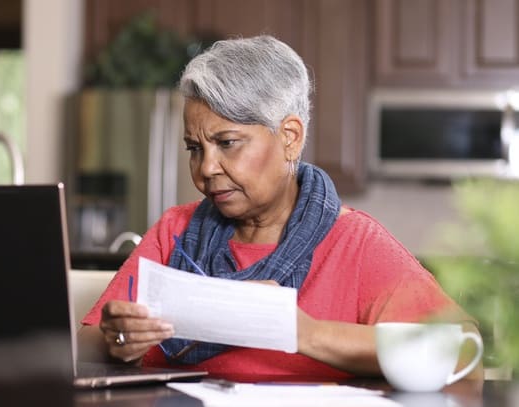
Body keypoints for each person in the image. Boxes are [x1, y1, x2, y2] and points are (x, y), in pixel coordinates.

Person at [77, 35, 480, 380]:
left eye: (228, 143)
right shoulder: (174, 231)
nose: (207, 169)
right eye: (195, 149)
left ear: (289, 137)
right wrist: (118, 340)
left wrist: (300, 332)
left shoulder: (354, 244)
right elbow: (86, 344)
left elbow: (463, 354)